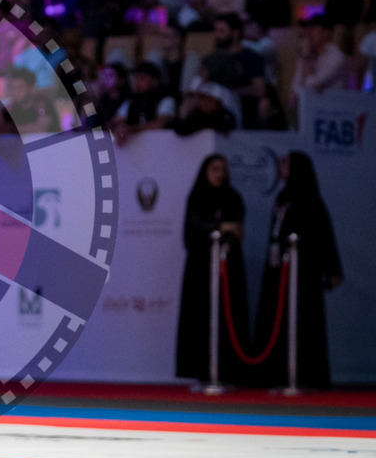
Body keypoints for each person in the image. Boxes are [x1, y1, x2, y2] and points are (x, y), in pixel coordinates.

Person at [250, 152, 342, 389]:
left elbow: (324, 235)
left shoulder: (310, 198)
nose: (280, 167)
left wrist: (332, 269)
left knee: (303, 322)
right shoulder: (281, 197)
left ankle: (305, 375)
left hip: (303, 274)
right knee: (277, 320)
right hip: (278, 271)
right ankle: (277, 374)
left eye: (285, 163)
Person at [175, 155, 250, 386]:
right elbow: (193, 229)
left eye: (223, 169)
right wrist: (219, 227)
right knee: (200, 319)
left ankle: (229, 372)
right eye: (215, 168)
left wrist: (224, 230)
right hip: (201, 270)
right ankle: (202, 372)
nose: (220, 173)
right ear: (206, 171)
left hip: (228, 269)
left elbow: (237, 228)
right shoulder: (197, 196)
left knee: (228, 316)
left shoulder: (233, 197)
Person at [110, 61, 176, 146]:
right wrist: (119, 128)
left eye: (141, 78)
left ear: (154, 81)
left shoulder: (166, 99)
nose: (137, 83)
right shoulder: (130, 102)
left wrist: (130, 129)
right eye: (135, 78)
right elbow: (116, 123)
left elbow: (160, 125)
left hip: (161, 148)